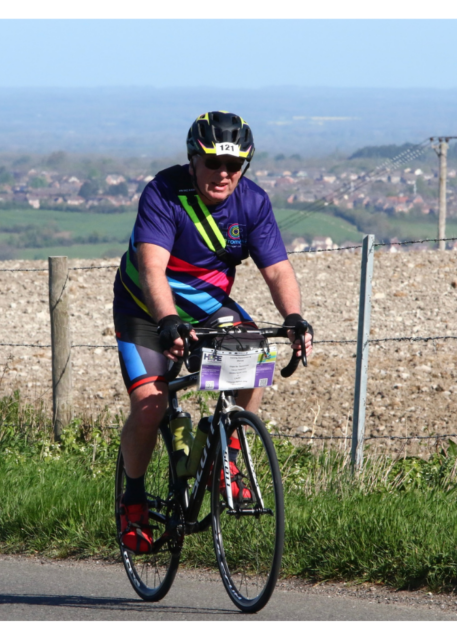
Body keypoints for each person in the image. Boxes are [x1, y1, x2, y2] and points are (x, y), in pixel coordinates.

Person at [112, 111, 313, 554]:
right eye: (213, 163)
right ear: (193, 160)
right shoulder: (164, 192)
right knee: (150, 404)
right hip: (145, 306)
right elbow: (152, 268)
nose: (223, 174)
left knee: (256, 356)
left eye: (234, 165)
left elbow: (277, 270)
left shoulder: (253, 203)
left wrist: (294, 318)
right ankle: (133, 499)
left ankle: (228, 460)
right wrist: (167, 321)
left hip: (206, 306)